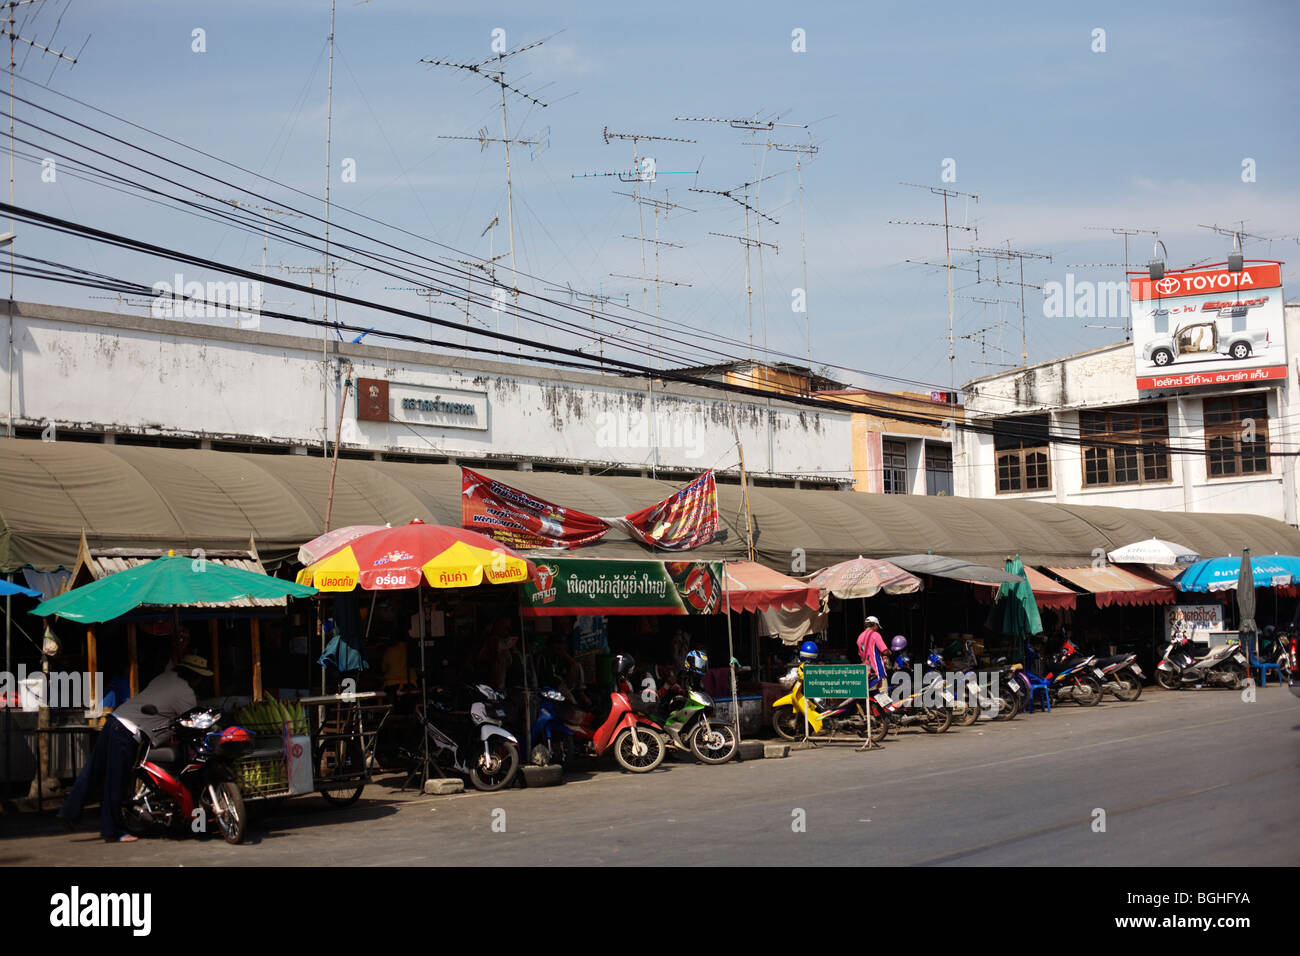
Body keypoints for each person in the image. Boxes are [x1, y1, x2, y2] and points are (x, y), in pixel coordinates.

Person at [58, 654, 212, 843]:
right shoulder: (186, 692)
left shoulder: (164, 677)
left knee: (92, 771)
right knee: (117, 782)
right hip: (127, 731)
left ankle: (68, 812)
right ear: (196, 678)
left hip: (114, 721)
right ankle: (113, 831)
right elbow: (191, 721)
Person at [857, 616, 890, 687]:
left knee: (870, 697)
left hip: (867, 675)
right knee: (883, 696)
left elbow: (861, 654)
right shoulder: (875, 635)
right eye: (877, 626)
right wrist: (889, 652)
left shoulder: (860, 637)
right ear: (875, 624)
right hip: (878, 674)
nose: (877, 629)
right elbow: (884, 651)